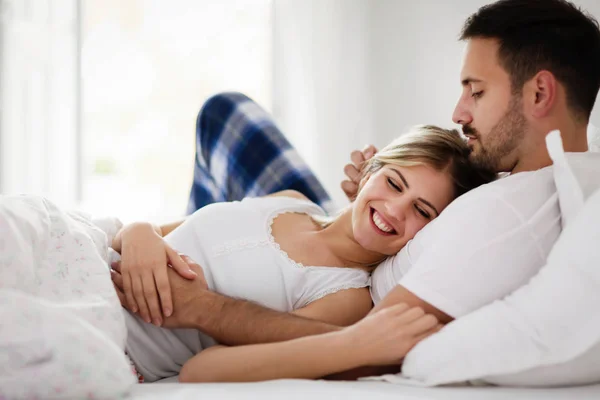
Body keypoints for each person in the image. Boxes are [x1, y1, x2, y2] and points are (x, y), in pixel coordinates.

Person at [111, 0, 600, 383]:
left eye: (476, 90)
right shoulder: (531, 178)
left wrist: (201, 307)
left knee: (225, 121)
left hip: (336, 276)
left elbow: (353, 347)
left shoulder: (507, 218)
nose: (459, 111)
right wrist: (375, 187)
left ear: (538, 94)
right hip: (329, 223)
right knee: (226, 115)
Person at [110, 122, 493, 382]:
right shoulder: (293, 201)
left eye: (422, 211)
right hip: (95, 255)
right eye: (393, 183)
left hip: (114, 335)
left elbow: (203, 369)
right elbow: (149, 232)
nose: (395, 209)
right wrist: (139, 232)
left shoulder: (347, 297)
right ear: (369, 171)